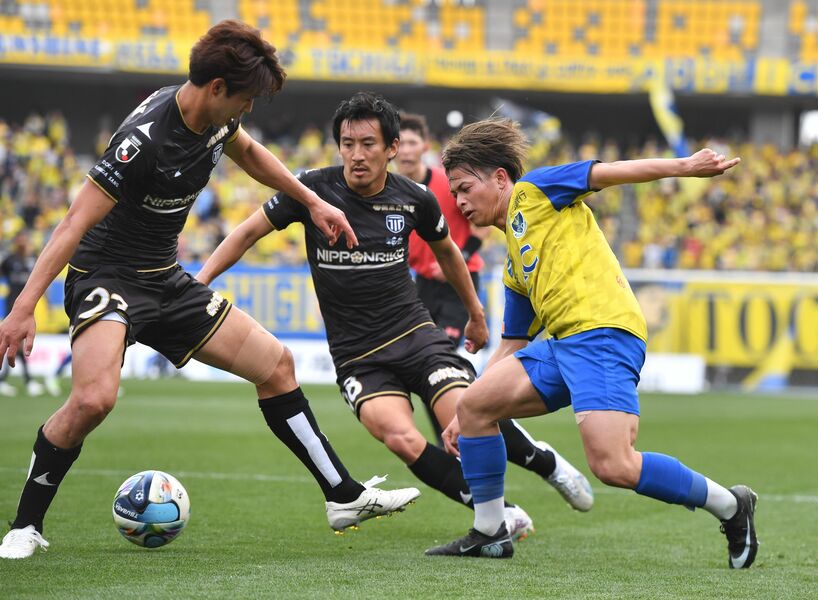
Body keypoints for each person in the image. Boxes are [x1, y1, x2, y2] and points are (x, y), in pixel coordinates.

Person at [0, 21, 419, 561]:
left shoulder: (217, 119)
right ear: (217, 87)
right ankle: (25, 525)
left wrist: (314, 202)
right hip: (108, 276)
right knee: (93, 400)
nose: (248, 110)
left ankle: (342, 495)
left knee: (277, 365)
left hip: (165, 278)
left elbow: (251, 153)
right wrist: (24, 307)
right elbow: (73, 223)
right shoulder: (143, 140)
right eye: (245, 99)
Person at [197, 92, 594, 543]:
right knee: (402, 440)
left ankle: (544, 462)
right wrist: (201, 280)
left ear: (391, 148)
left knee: (467, 414)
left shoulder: (414, 199)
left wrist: (476, 313)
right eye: (347, 143)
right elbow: (247, 232)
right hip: (357, 355)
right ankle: (496, 514)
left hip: (417, 335)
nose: (356, 154)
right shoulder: (310, 191)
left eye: (368, 144)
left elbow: (449, 252)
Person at [425, 118, 758, 568]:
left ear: (500, 179)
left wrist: (684, 166)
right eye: (455, 193)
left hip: (603, 334)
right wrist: (464, 411)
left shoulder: (534, 191)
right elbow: (513, 344)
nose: (459, 201)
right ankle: (490, 532)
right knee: (476, 406)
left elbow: (607, 173)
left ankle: (732, 506)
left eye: (465, 188)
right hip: (563, 346)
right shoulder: (514, 264)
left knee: (613, 466)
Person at [396, 112, 487, 445]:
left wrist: (455, 259)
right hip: (423, 288)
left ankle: (479, 430)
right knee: (425, 369)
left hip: (459, 285)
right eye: (401, 143)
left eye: (412, 142)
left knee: (440, 360)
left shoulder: (447, 184)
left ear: (425, 146)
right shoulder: (392, 192)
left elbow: (481, 227)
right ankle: (452, 443)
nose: (406, 150)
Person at [0, 231, 45, 397]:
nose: (23, 243)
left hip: (28, 307)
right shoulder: (9, 260)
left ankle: (9, 380)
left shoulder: (32, 259)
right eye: (20, 240)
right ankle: (27, 381)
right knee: (16, 343)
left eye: (25, 240)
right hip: (13, 307)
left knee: (16, 344)